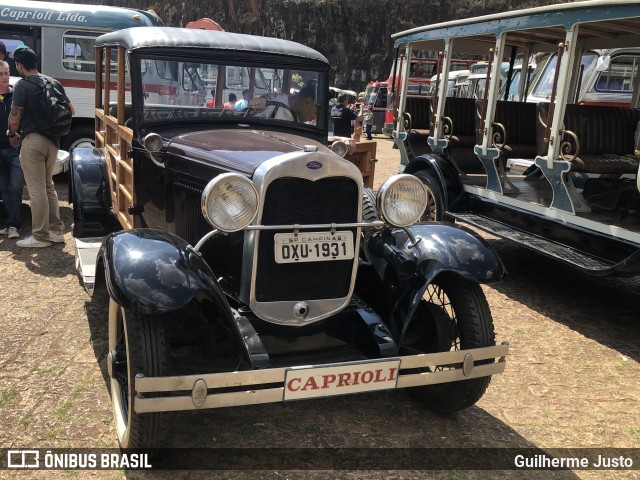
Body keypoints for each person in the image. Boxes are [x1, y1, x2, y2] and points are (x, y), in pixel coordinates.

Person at [8, 46, 74, 248]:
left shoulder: (22, 85)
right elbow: (71, 110)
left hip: (33, 141)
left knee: (36, 190)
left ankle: (40, 236)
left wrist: (11, 134)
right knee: (48, 186)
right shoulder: (54, 82)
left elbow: (15, 117)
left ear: (19, 65)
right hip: (54, 141)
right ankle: (56, 231)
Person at [0, 60, 23, 240]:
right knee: (4, 188)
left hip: (14, 150)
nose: (4, 78)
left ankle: (14, 224)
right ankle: (11, 223)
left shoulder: (16, 97)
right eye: (0, 74)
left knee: (16, 186)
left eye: (6, 73)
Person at [248, 85, 317, 124]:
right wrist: (259, 102)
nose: (314, 118)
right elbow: (257, 104)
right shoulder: (272, 100)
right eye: (315, 112)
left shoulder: (300, 125)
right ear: (307, 102)